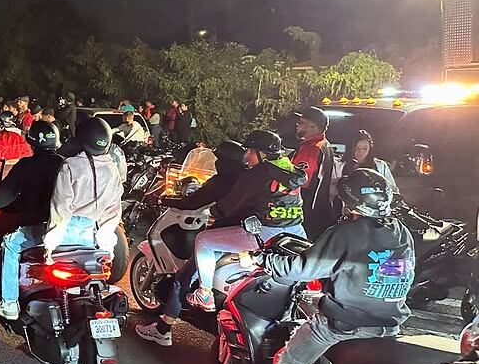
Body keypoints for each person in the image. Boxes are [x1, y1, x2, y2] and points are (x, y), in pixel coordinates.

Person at [232, 169, 414, 364]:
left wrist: (260, 258)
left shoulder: (347, 232)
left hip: (344, 324)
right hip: (387, 325)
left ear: (349, 201)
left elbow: (301, 269)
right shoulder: (400, 231)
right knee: (315, 302)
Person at [135, 141, 247, 346]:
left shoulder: (222, 181)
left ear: (225, 162)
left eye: (219, 159)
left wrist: (166, 200)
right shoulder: (247, 179)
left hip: (222, 237)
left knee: (182, 277)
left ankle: (163, 330)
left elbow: (192, 202)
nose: (216, 163)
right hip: (246, 238)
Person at [183, 131, 307, 311]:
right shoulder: (288, 168)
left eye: (250, 151)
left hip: (266, 232)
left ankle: (205, 294)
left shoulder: (258, 174)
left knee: (203, 241)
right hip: (296, 230)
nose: (246, 156)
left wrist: (214, 211)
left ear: (262, 153)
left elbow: (231, 204)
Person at [0, 120, 65, 338]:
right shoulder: (65, 165)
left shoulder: (27, 165)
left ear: (31, 142)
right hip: (62, 232)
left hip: (33, 229)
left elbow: (5, 194)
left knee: (0, 258)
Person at [34, 118, 124, 296]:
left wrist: (50, 244)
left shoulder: (71, 165)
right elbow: (113, 213)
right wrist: (107, 246)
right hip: (92, 235)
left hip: (67, 232)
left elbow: (61, 208)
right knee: (84, 286)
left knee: (58, 288)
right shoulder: (113, 170)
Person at [292, 106, 336, 239]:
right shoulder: (324, 144)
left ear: (313, 126)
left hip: (306, 212)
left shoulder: (312, 149)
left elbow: (299, 181)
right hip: (317, 212)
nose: (297, 124)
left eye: (302, 122)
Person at [344, 129, 397, 194]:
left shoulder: (380, 166)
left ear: (370, 148)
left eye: (365, 149)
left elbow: (393, 189)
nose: (361, 152)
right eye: (357, 148)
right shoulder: (342, 166)